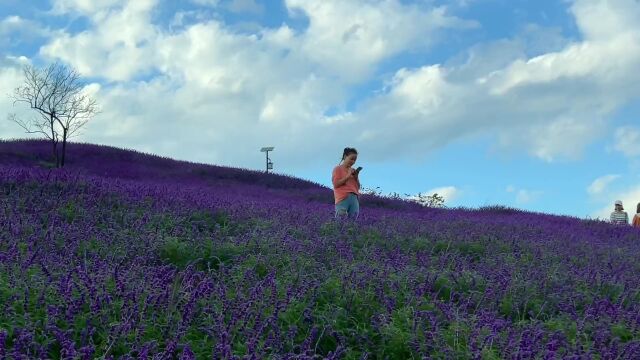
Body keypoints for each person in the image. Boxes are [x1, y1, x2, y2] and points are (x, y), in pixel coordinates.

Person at [332, 147, 361, 219]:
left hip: (354, 197)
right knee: (340, 218)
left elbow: (358, 187)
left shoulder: (353, 170)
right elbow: (336, 184)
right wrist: (348, 175)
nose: (353, 161)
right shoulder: (337, 169)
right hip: (343, 197)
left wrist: (356, 177)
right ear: (345, 156)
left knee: (353, 219)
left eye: (355, 160)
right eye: (351, 159)